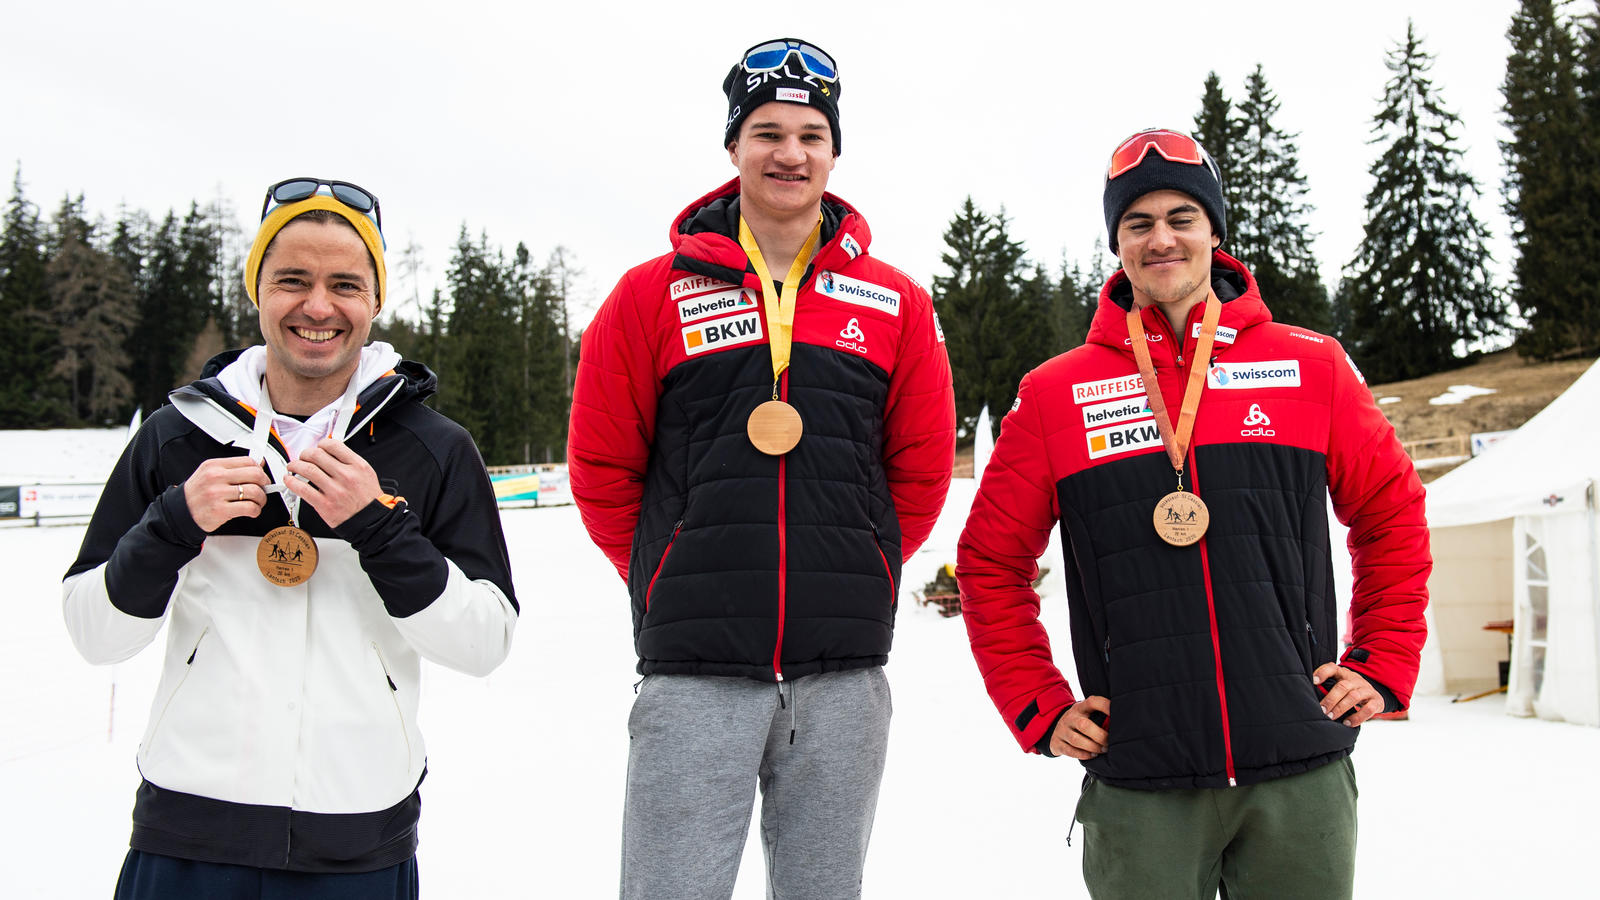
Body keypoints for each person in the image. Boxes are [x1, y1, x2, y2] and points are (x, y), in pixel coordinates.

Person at [956, 129, 1430, 899]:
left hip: (1298, 769)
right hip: (1142, 780)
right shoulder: (1055, 394)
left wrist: (1382, 663)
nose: (1162, 239)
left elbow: (1392, 514)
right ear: (1117, 242)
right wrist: (1036, 703)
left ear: (1214, 230)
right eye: (1138, 223)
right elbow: (989, 560)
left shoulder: (1310, 364)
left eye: (1182, 217)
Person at [567, 37, 955, 900]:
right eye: (768, 132)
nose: (791, 153)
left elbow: (922, 469)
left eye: (812, 135)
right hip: (693, 671)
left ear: (834, 152)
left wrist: (864, 558)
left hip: (841, 673)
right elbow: (601, 467)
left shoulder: (894, 302)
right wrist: (671, 567)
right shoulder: (648, 295)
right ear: (733, 146)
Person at [63, 178, 519, 899]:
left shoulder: (435, 450)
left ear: (375, 300)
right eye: (292, 280)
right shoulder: (176, 438)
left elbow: (484, 641)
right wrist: (174, 523)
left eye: (346, 284)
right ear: (257, 291)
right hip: (187, 830)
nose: (318, 306)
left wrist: (380, 528)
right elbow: (95, 634)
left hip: (357, 837)